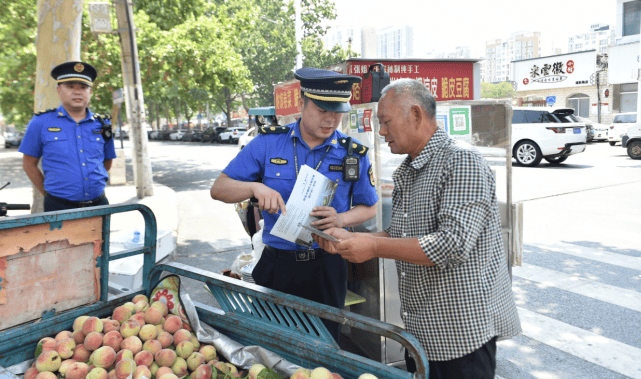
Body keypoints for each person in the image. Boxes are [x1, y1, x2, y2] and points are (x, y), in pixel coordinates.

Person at [313, 79, 521, 378]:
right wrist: (352, 238)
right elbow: (397, 235)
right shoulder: (407, 171)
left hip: (461, 335)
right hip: (420, 333)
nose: (381, 132)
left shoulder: (461, 161)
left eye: (385, 122)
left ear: (415, 114)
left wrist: (373, 247)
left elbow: (452, 244)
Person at [210, 68, 379, 341]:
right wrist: (254, 187)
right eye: (323, 109)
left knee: (325, 348)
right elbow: (219, 189)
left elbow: (369, 206)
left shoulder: (352, 153)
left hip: (327, 266)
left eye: (337, 111)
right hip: (278, 265)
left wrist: (342, 219)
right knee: (275, 345)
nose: (331, 119)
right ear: (302, 104)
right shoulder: (269, 143)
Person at [20, 61, 116, 212]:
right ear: (59, 90)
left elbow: (108, 160)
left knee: (101, 237)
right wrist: (49, 195)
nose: (77, 92)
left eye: (83, 87)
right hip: (58, 206)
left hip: (99, 204)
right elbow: (29, 164)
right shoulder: (40, 122)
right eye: (70, 87)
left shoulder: (102, 124)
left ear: (90, 92)